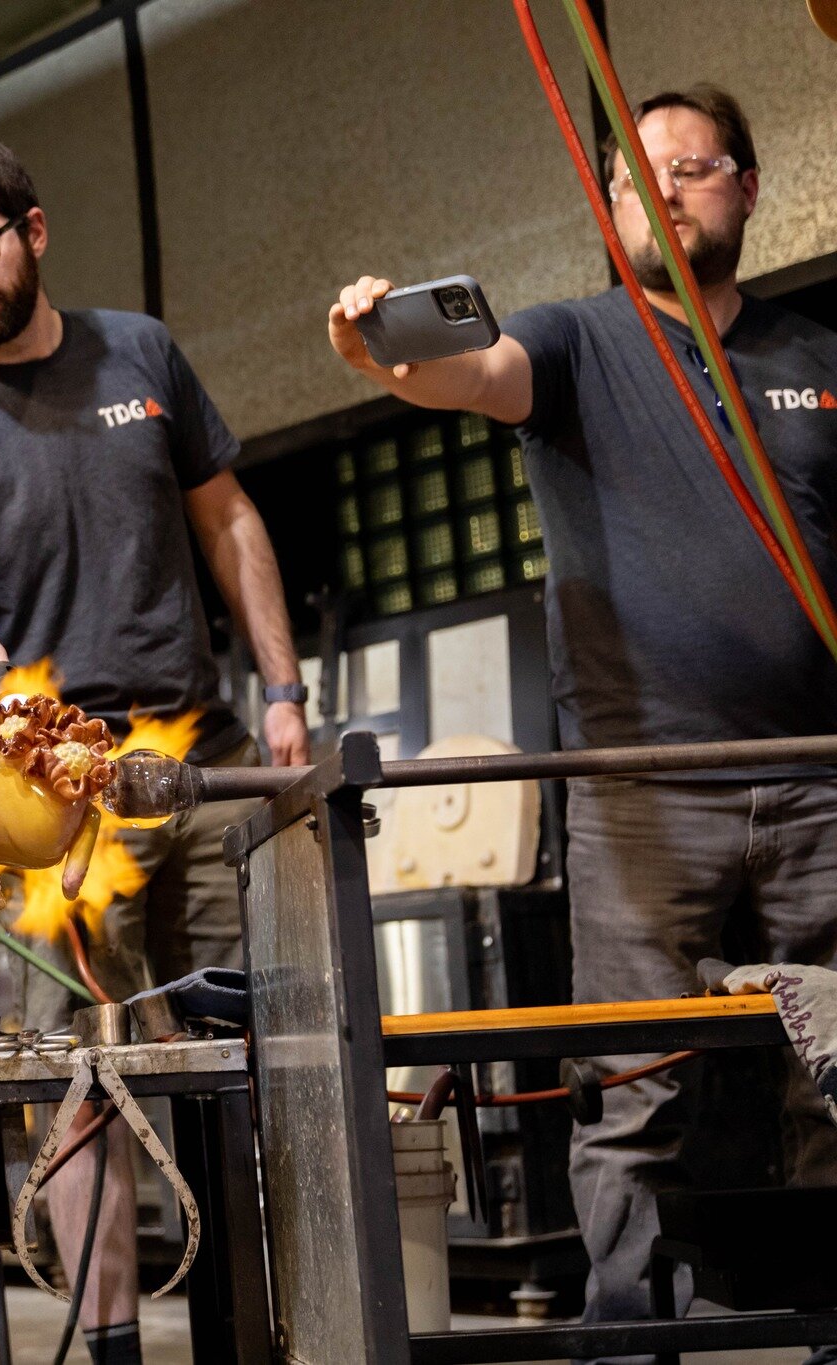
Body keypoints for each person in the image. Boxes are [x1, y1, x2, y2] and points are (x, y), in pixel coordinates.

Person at [328, 84, 837, 1361]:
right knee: (627, 1091)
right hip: (639, 787)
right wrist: (383, 356)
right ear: (607, 207)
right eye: (633, 176)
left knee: (835, 1072)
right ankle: (626, 1339)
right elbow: (473, 371)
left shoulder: (815, 360)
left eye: (690, 166)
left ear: (745, 186)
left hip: (819, 779)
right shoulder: (573, 343)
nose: (661, 189)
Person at [0, 137, 309, 1365]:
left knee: (259, 1051)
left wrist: (280, 688)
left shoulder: (140, 353)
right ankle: (111, 1344)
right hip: (51, 799)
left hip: (204, 759)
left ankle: (267, 1322)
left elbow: (226, 519)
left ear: (33, 230)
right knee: (82, 1076)